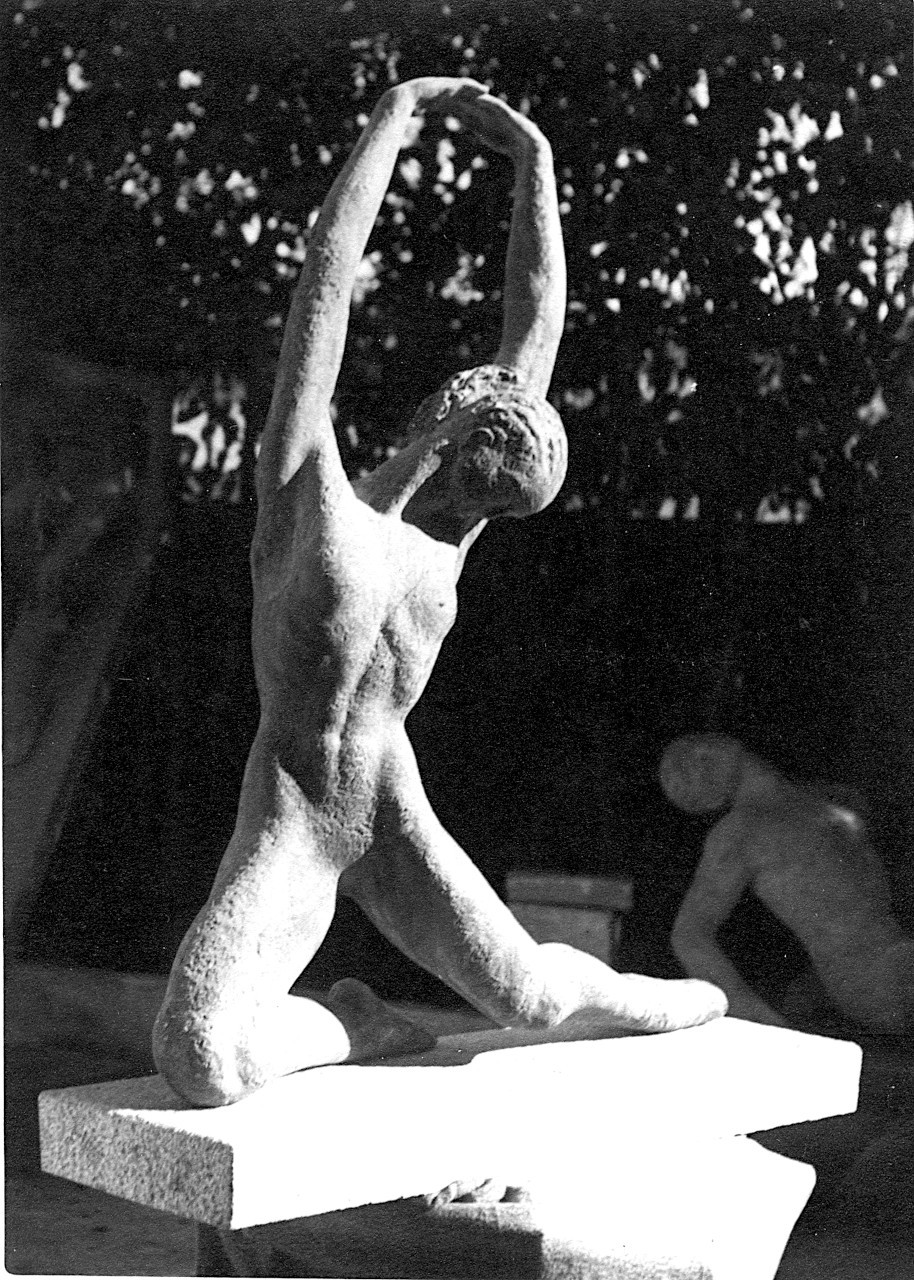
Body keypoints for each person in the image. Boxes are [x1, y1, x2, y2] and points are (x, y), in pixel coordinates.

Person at [153, 78, 726, 1108]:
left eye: (497, 510)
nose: (479, 517)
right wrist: (394, 119)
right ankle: (350, 1025)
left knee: (531, 999)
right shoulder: (308, 495)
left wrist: (534, 161)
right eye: (480, 491)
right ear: (450, 436)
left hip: (394, 808)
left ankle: (671, 1002)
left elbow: (535, 325)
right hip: (294, 812)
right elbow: (324, 291)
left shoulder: (444, 539)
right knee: (202, 1052)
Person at [662, 732, 914, 1032]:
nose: (701, 755)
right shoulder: (739, 832)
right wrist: (761, 1020)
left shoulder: (831, 798)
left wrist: (809, 990)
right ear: (702, 797)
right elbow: (689, 934)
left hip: (893, 957)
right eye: (687, 766)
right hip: (877, 980)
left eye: (698, 748)